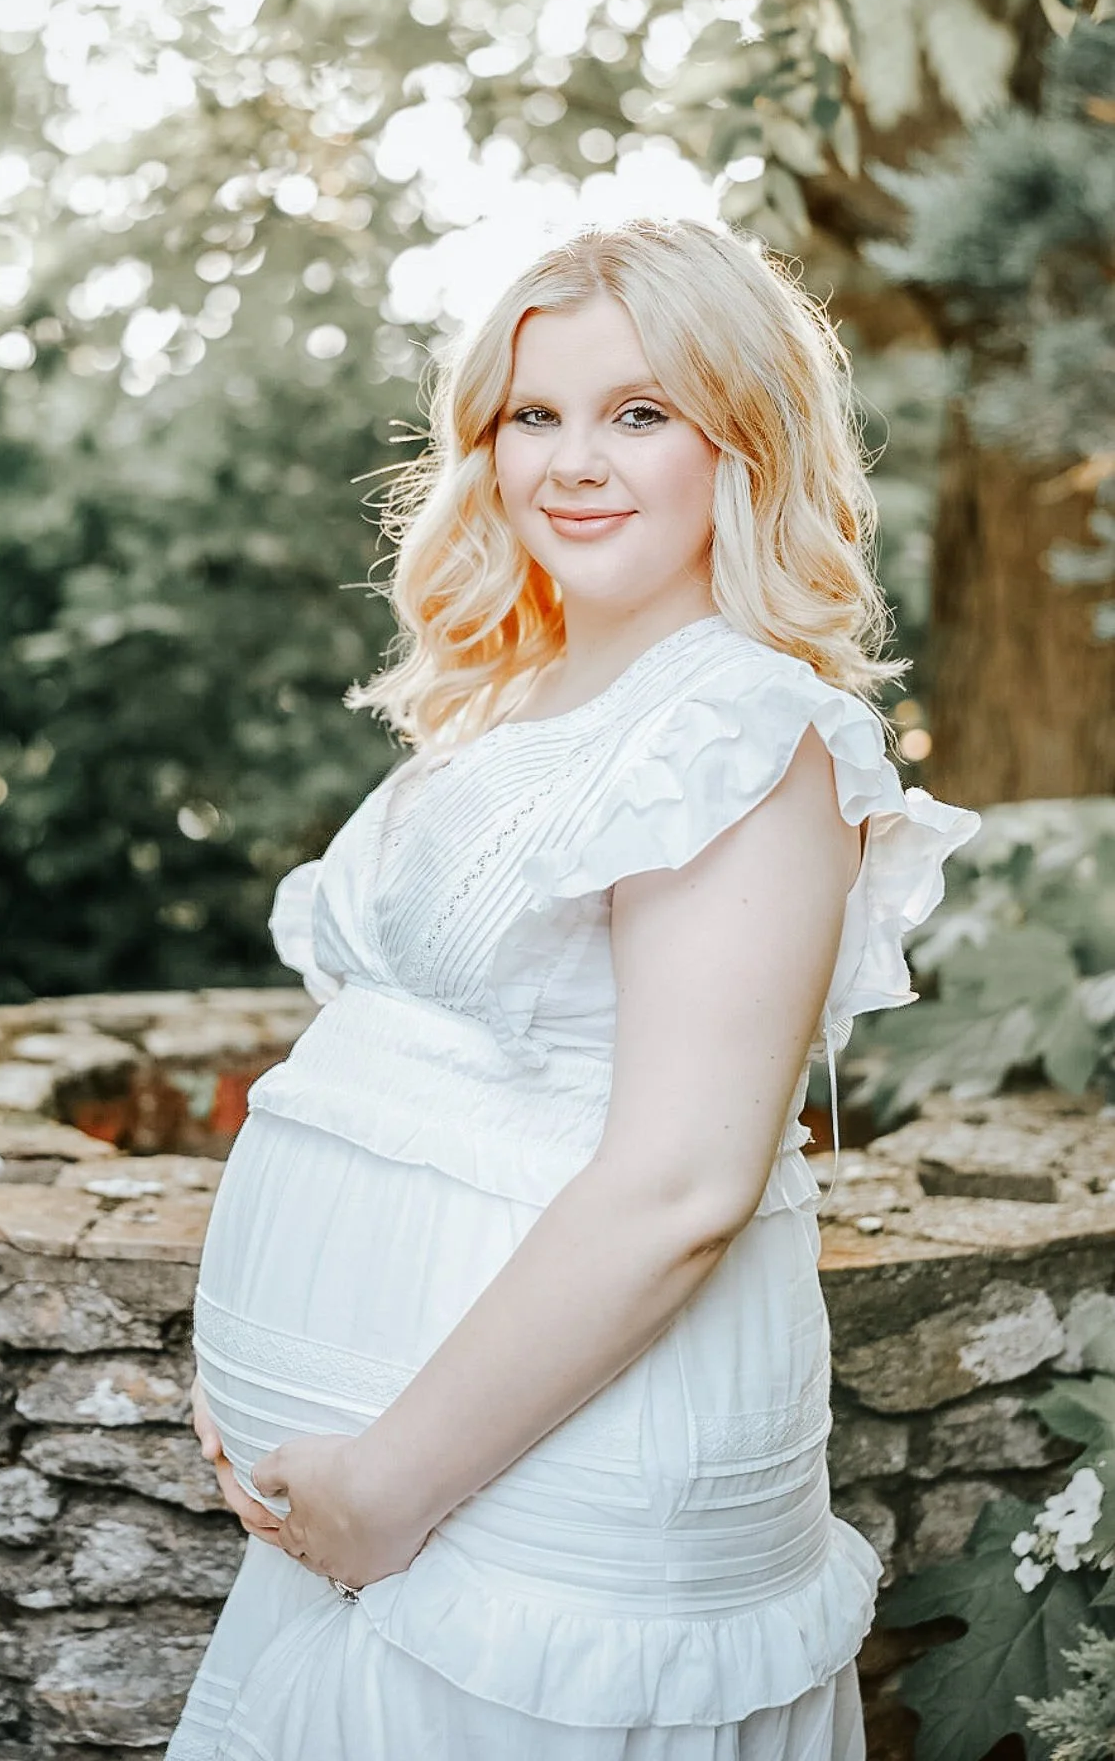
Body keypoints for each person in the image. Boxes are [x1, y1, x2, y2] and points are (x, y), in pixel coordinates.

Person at [164, 217, 981, 1761]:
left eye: (641, 413)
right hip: (403, 1495)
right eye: (535, 414)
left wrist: (388, 1481)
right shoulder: (519, 697)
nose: (575, 462)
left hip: (523, 1509)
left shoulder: (738, 730)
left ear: (743, 440)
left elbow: (683, 1183)